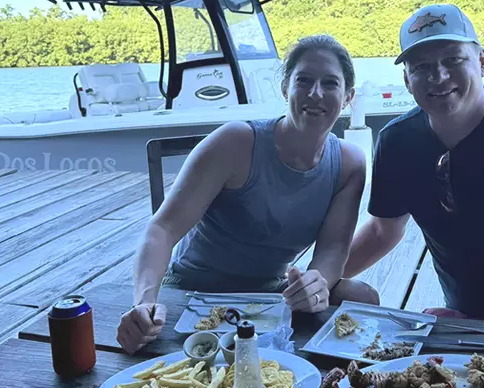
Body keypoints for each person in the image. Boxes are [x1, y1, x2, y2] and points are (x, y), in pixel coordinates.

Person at [117, 35, 379, 354]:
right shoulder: (236, 142)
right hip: (195, 291)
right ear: (285, 88)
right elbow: (163, 228)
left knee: (364, 298)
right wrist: (145, 301)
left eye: (330, 83)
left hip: (266, 296)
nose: (316, 93)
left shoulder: (349, 164)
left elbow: (333, 251)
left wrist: (317, 282)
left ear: (348, 96)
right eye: (304, 80)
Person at [345, 3, 484, 323]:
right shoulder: (398, 142)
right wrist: (318, 280)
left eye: (453, 59)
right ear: (407, 80)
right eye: (421, 67)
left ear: (482, 62)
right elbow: (383, 231)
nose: (439, 76)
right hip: (465, 319)